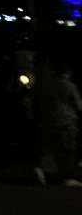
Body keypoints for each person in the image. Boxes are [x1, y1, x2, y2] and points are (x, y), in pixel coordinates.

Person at [32, 58, 82, 187]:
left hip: (50, 118)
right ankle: (67, 177)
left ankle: (42, 168)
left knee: (52, 147)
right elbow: (78, 105)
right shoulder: (69, 86)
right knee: (68, 148)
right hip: (67, 120)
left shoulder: (48, 85)